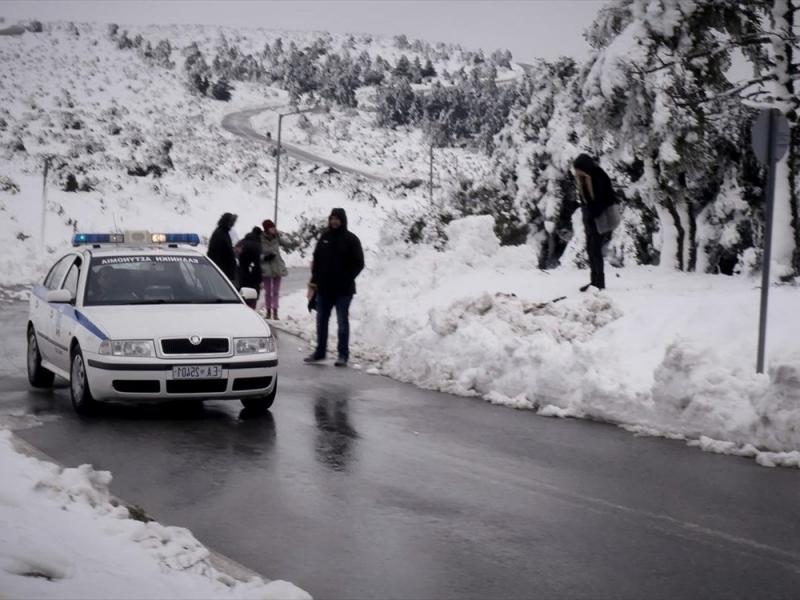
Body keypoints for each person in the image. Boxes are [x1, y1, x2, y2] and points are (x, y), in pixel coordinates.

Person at [304, 208, 364, 367]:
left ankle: (343, 355)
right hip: (324, 289)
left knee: (342, 322)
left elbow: (359, 263)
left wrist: (347, 278)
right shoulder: (324, 238)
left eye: (337, 218)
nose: (334, 221)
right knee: (321, 321)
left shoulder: (351, 239)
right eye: (332, 218)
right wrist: (313, 284)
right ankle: (320, 352)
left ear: (343, 220)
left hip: (344, 291)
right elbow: (316, 262)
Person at [573, 154, 616, 291]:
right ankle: (593, 282)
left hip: (601, 218)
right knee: (591, 250)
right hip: (590, 219)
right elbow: (585, 200)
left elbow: (603, 200)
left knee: (596, 250)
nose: (576, 172)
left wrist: (592, 212)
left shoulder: (599, 176)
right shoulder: (583, 179)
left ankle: (599, 283)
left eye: (578, 169)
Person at [260, 219, 288, 320]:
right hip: (266, 267)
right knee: (268, 292)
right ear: (267, 229)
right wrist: (264, 257)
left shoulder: (277, 237)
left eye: (274, 227)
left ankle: (275, 312)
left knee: (276, 291)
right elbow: (257, 254)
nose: (274, 229)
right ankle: (268, 311)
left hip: (277, 266)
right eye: (271, 227)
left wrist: (296, 243)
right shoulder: (260, 239)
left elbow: (286, 243)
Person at [236, 227, 263, 309]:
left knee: (241, 298)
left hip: (240, 276)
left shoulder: (241, 242)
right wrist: (260, 280)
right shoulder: (257, 245)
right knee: (252, 299)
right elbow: (258, 264)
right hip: (253, 278)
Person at [208, 212, 238, 283]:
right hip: (222, 272)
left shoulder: (224, 232)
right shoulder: (220, 233)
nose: (233, 225)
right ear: (227, 222)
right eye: (232, 222)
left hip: (224, 271)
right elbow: (216, 253)